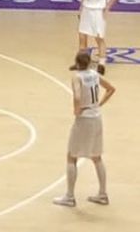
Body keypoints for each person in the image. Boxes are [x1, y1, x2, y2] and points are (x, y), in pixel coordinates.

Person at [53, 52, 115, 207]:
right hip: (97, 116)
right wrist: (100, 103)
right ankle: (102, 194)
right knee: (96, 156)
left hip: (85, 118)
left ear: (77, 63)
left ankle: (69, 196)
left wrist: (76, 110)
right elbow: (111, 89)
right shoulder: (94, 74)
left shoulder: (77, 77)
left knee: (71, 156)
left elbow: (77, 97)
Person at [71, 0, 119, 69]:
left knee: (99, 38)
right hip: (87, 9)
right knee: (82, 36)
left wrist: (107, 7)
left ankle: (102, 64)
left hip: (97, 11)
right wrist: (80, 8)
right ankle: (81, 63)